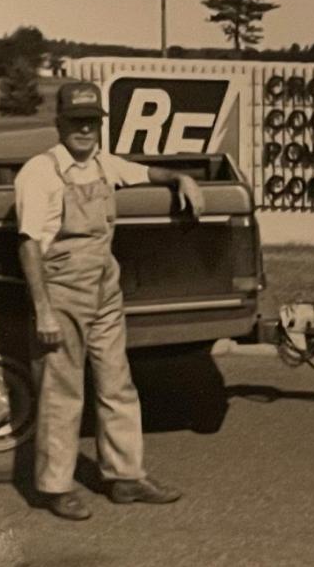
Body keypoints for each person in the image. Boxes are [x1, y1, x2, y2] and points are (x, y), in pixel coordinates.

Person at [14, 81, 206, 521]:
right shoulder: (40, 173)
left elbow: (144, 173)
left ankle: (126, 477)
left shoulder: (103, 164)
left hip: (105, 290)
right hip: (61, 293)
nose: (85, 130)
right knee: (62, 393)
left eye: (92, 122)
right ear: (59, 122)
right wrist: (43, 309)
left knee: (117, 384)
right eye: (76, 121)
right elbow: (28, 246)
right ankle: (55, 486)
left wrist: (180, 177)